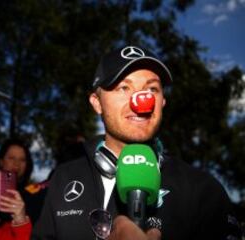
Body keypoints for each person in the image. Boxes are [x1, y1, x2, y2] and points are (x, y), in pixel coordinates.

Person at [31, 46, 241, 240]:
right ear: (97, 103)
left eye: (152, 89)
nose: (141, 101)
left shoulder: (202, 190)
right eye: (124, 88)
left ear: (162, 102)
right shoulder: (63, 178)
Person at [0, 139, 44, 224]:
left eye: (22, 160)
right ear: (1, 161)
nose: (17, 163)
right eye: (11, 158)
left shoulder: (32, 196)